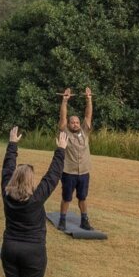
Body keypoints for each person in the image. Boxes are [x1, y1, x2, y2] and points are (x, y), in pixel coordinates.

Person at [0, 125, 67, 277]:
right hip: (33, 252)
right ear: (30, 182)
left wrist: (12, 144)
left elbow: (6, 169)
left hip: (10, 248)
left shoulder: (6, 192)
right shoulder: (36, 198)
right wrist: (60, 150)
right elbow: (53, 176)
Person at [57, 87, 94, 231]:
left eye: (77, 122)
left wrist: (89, 99)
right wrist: (65, 101)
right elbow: (62, 118)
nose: (75, 124)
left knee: (83, 198)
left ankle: (84, 220)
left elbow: (88, 116)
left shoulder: (85, 132)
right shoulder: (65, 132)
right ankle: (62, 220)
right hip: (68, 172)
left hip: (84, 172)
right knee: (66, 198)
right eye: (73, 122)